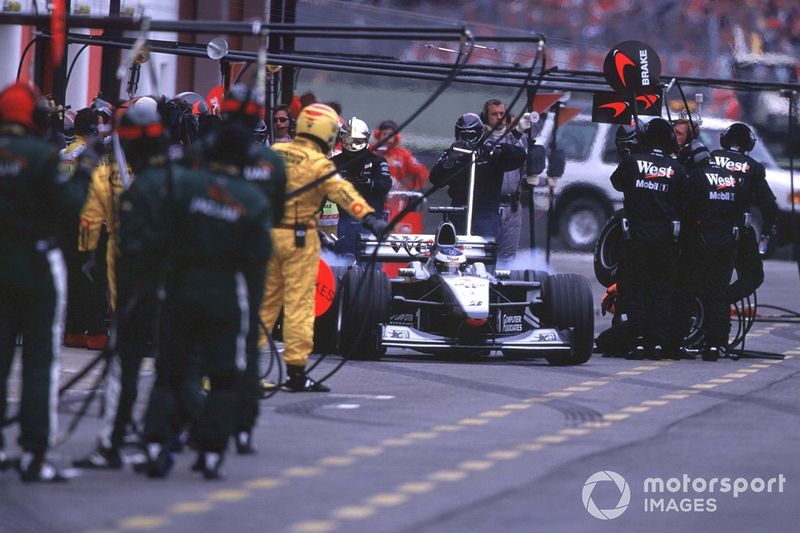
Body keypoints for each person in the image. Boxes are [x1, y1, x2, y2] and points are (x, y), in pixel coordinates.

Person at [140, 120, 271, 480]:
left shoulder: (182, 185)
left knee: (169, 373)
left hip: (179, 290)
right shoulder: (254, 200)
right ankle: (212, 451)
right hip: (225, 297)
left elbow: (158, 236)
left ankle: (154, 443)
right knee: (223, 378)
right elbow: (257, 264)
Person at [73, 103, 174, 469]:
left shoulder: (105, 172)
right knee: (171, 361)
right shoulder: (178, 176)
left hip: (128, 263)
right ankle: (164, 439)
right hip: (172, 276)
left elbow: (88, 217)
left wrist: (86, 255)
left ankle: (115, 440)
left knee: (124, 354)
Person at [259, 104, 387, 392]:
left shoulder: (272, 153)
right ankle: (295, 373)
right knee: (299, 307)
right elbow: (343, 193)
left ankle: (237, 370)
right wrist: (369, 217)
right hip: (299, 239)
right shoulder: (320, 164)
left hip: (264, 237)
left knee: (261, 306)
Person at [0, 83, 91, 481]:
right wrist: (85, 172)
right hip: (36, 269)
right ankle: (35, 453)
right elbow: (70, 207)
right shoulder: (42, 156)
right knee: (39, 364)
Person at [213, 84, 286, 454]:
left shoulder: (200, 154)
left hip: (202, 261)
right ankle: (242, 427)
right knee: (245, 345)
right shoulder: (271, 162)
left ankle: (183, 426)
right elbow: (276, 211)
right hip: (248, 263)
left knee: (194, 345)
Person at [610, 118, 688, 360]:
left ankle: (638, 343)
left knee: (637, 291)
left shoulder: (633, 162)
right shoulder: (677, 168)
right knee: (662, 293)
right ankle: (657, 344)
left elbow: (617, 182)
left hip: (636, 238)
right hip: (665, 240)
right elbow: (684, 201)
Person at [674, 140, 743, 361]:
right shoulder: (730, 177)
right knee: (718, 294)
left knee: (687, 291)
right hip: (725, 242)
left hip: (700, 241)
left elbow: (685, 209)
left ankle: (678, 341)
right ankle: (716, 345)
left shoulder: (696, 177)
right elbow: (740, 210)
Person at [709, 123, 778, 304]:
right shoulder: (753, 167)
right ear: (749, 144)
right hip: (736, 231)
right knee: (753, 276)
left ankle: (704, 309)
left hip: (704, 230)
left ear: (724, 140)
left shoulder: (710, 158)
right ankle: (720, 304)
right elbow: (769, 203)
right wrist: (768, 228)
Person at [429, 112, 525, 239]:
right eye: (462, 135)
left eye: (470, 135)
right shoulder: (453, 154)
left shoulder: (492, 153)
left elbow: (520, 156)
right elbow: (435, 180)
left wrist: (495, 150)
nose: (466, 139)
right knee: (455, 249)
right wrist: (450, 162)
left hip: (486, 212)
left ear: (479, 134)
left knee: (484, 250)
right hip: (459, 212)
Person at [332, 117, 392, 260]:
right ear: (342, 138)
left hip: (372, 222)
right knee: (344, 261)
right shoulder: (334, 163)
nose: (352, 145)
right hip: (345, 221)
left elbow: (385, 185)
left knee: (371, 264)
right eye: (349, 140)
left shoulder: (377, 161)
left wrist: (368, 183)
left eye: (357, 141)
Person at [480, 99, 532, 261]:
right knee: (484, 256)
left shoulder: (517, 139)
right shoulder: (481, 139)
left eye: (502, 114)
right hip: (489, 207)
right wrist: (516, 132)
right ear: (485, 117)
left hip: (513, 207)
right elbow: (497, 148)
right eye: (494, 114)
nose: (499, 117)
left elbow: (523, 165)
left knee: (508, 258)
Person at [372, 119, 429, 192]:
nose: (387, 137)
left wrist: (405, 185)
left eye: (390, 135)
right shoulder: (369, 151)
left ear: (396, 137)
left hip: (395, 197)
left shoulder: (403, 154)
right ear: (378, 135)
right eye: (384, 134)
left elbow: (422, 173)